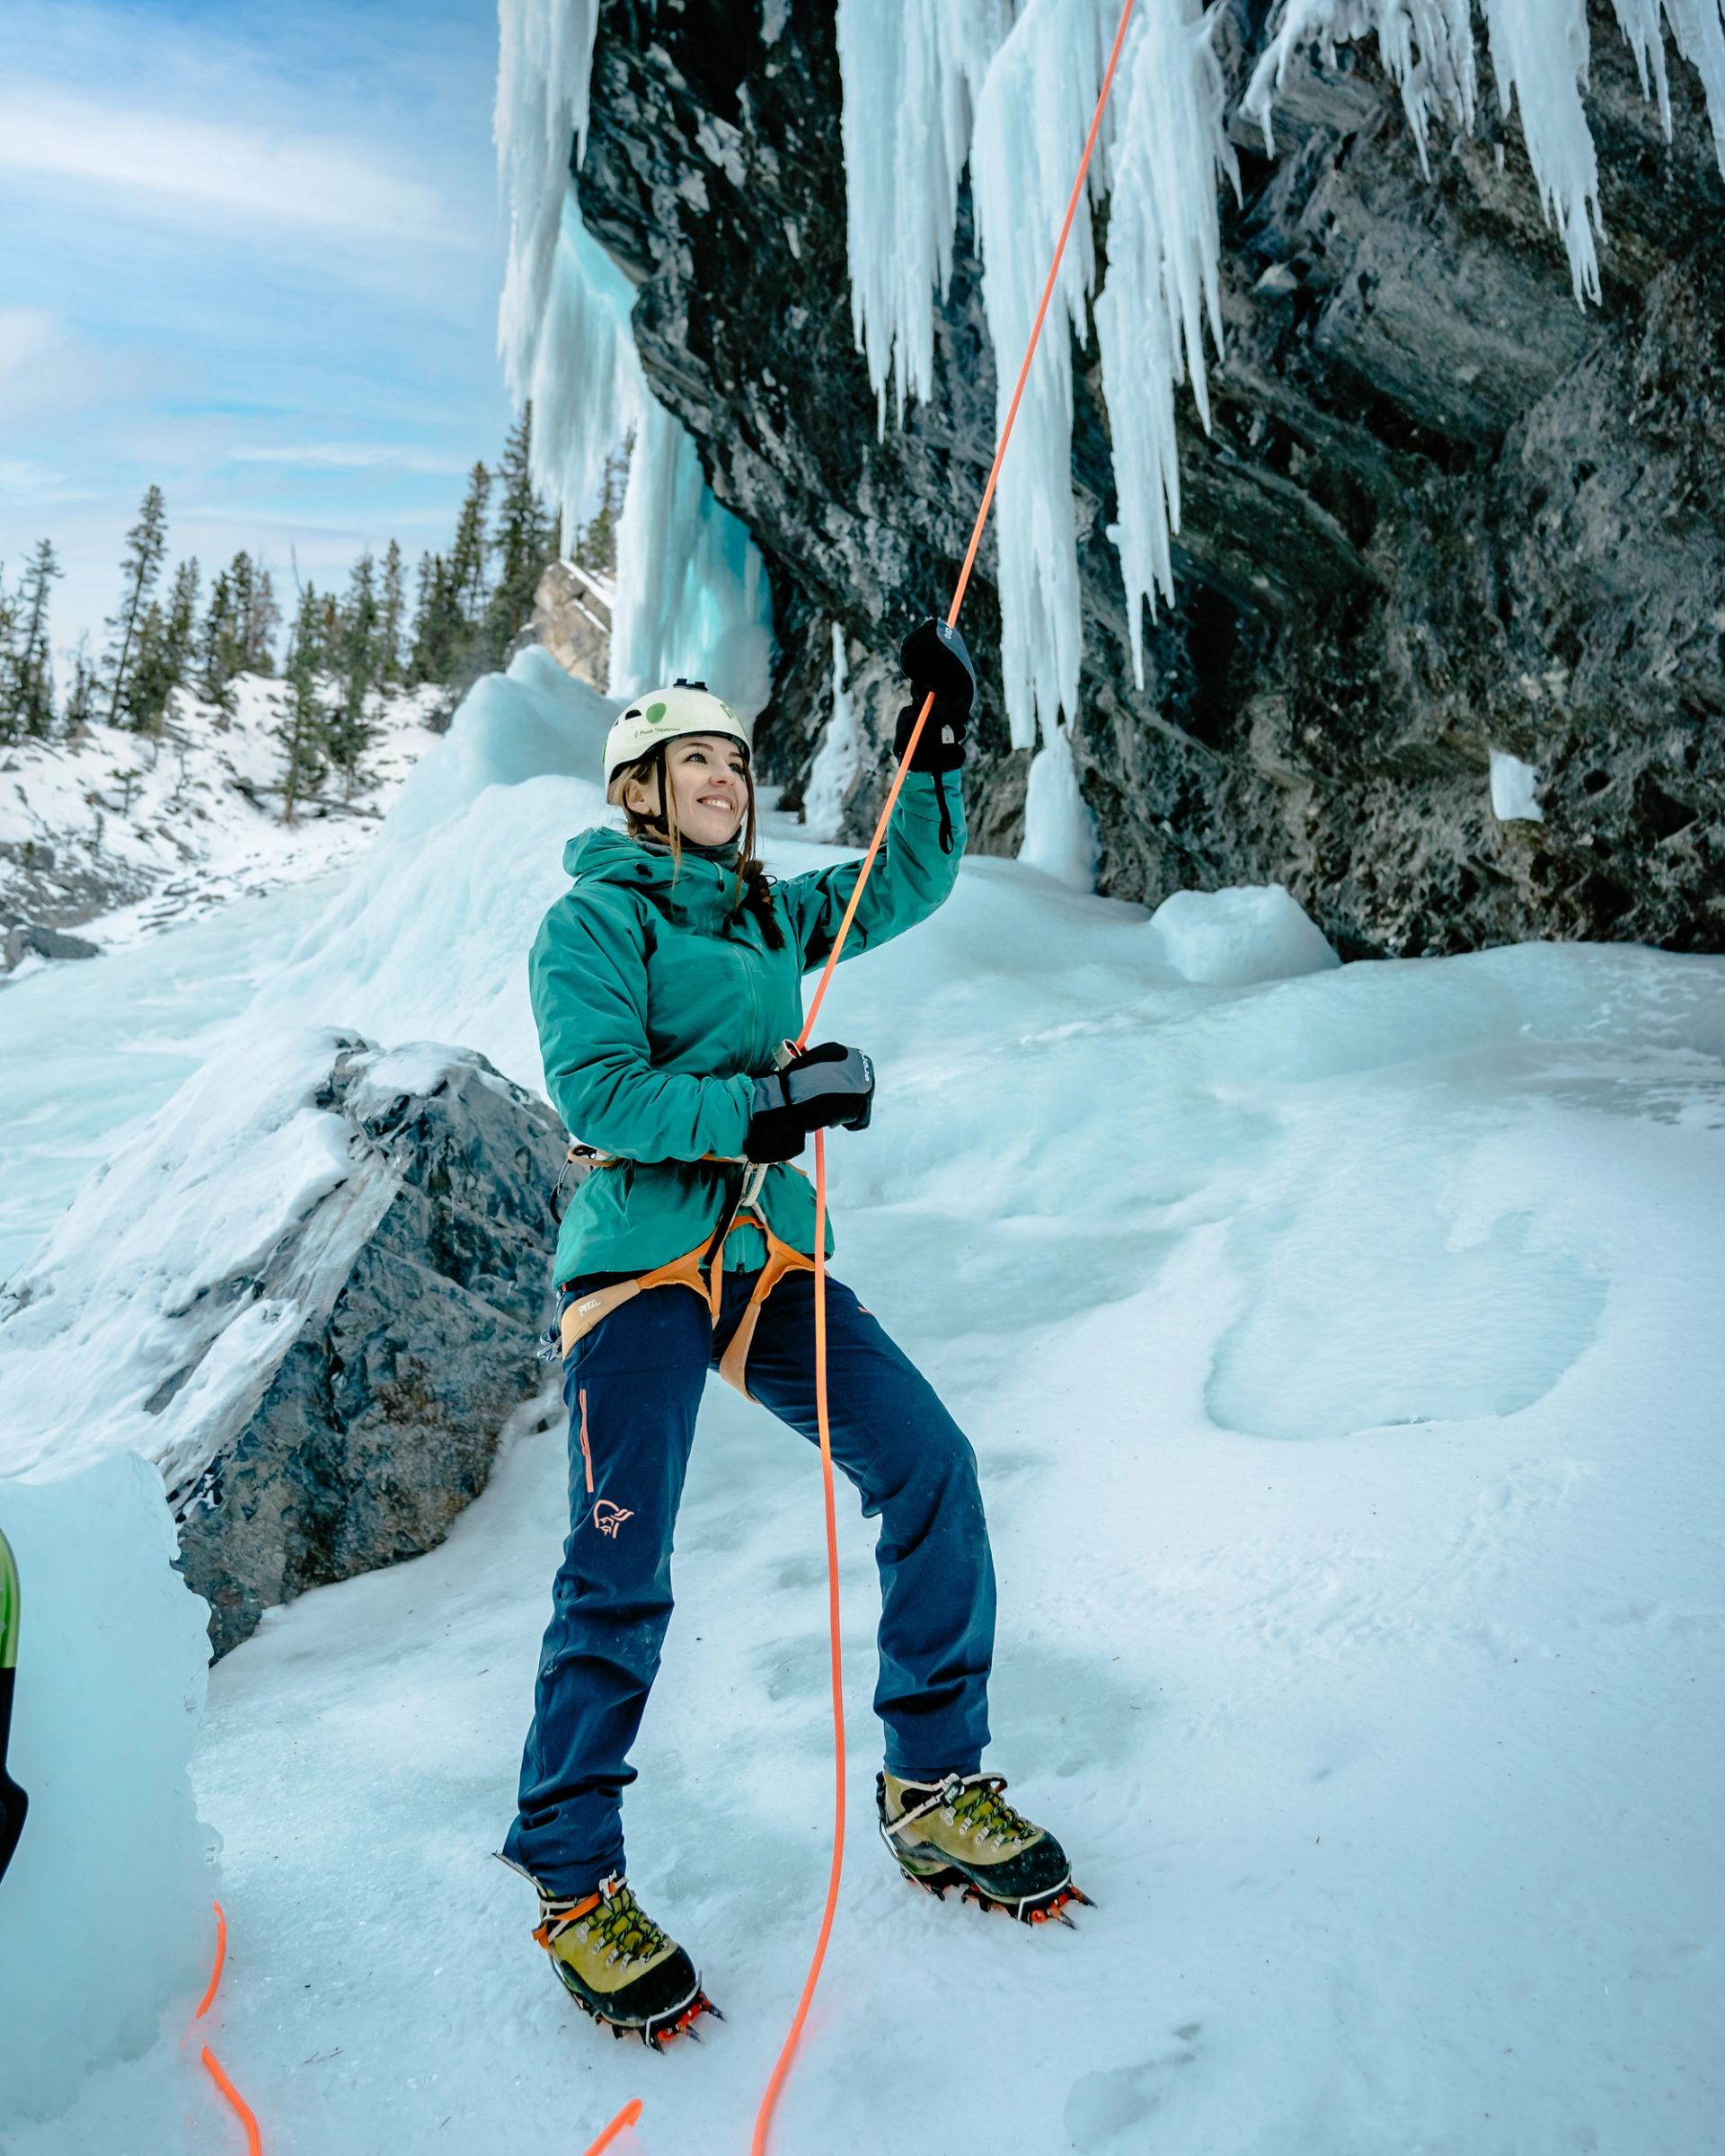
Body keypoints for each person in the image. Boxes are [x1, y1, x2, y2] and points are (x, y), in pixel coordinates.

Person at [500, 621, 1082, 2050]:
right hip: (640, 1265)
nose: (724, 779)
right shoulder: (594, 924)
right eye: (693, 760)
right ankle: (574, 1882)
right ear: (638, 789)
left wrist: (933, 749)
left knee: (929, 1465)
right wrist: (772, 1106)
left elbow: (901, 884)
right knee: (620, 1564)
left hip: (761, 1260)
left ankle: (934, 1788)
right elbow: (603, 1099)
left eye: (734, 762)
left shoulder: (765, 915)